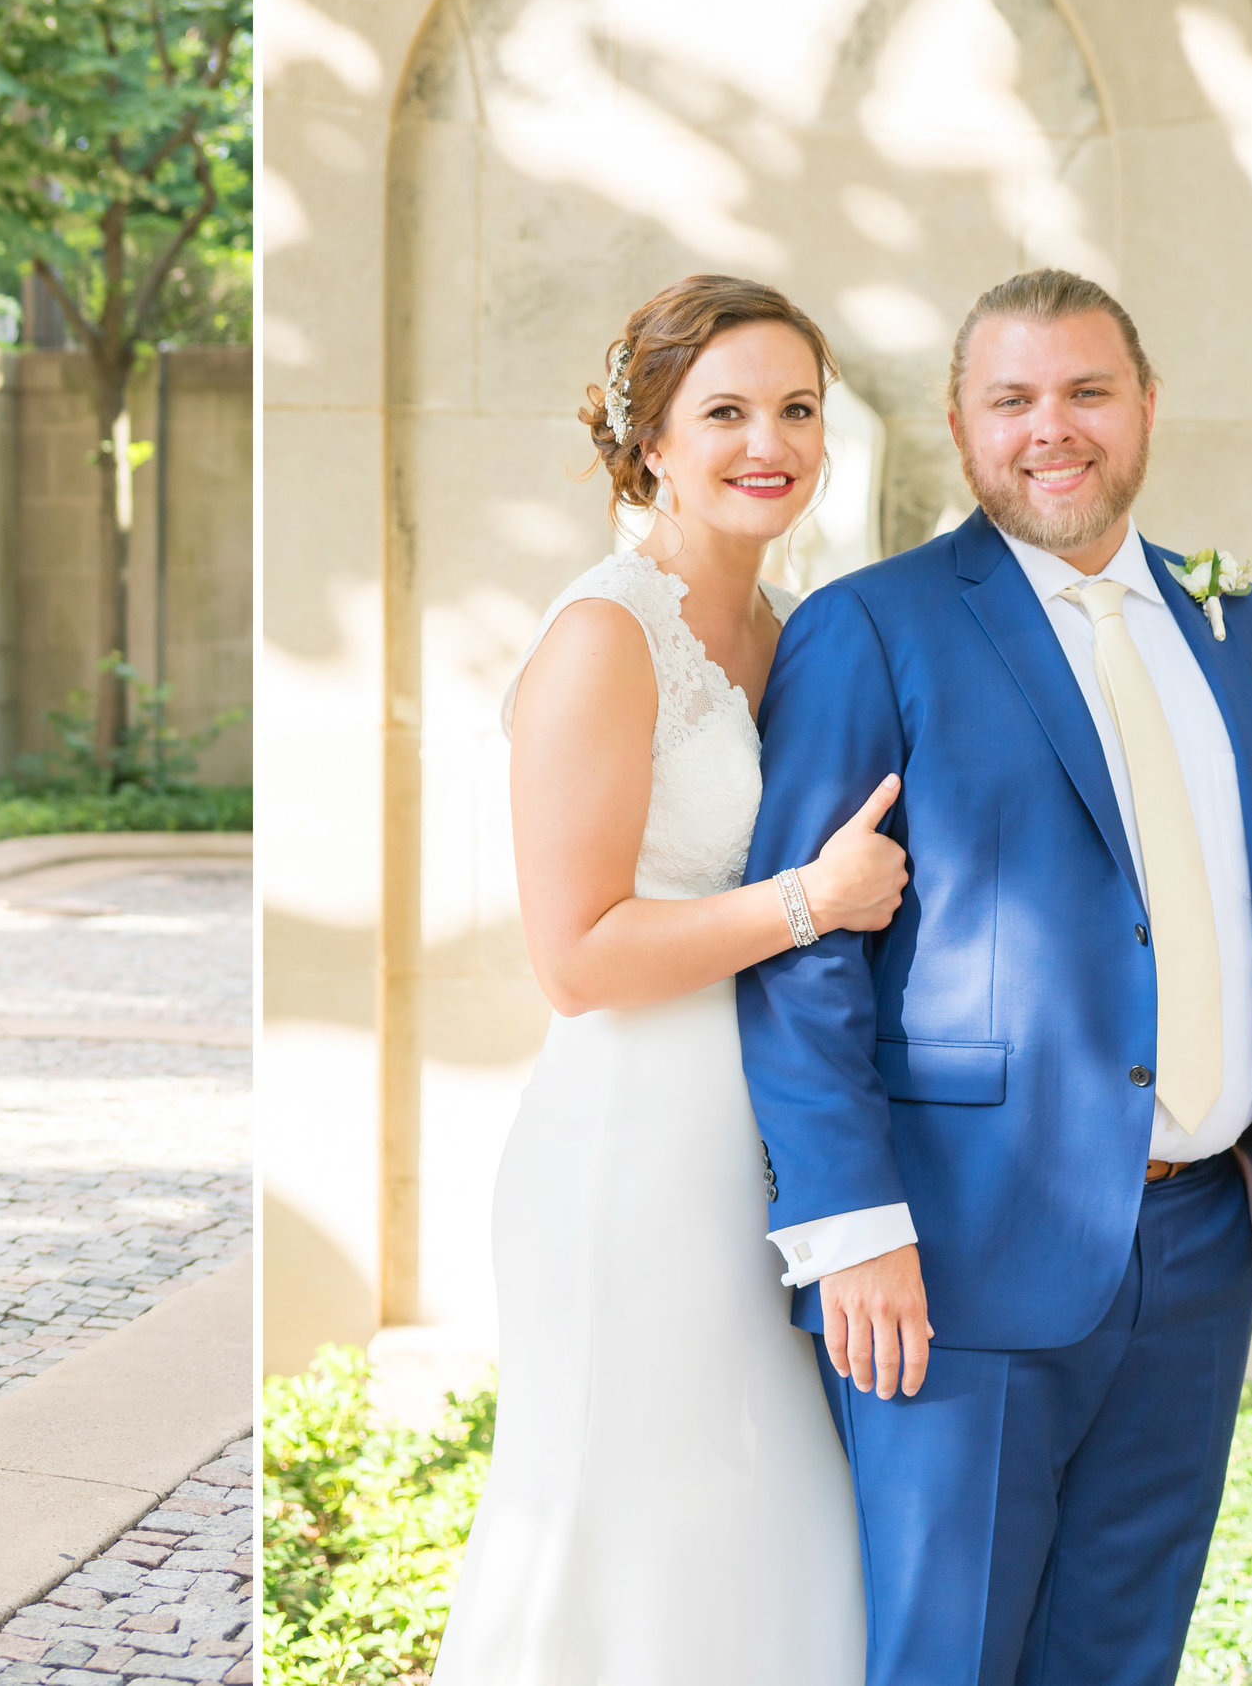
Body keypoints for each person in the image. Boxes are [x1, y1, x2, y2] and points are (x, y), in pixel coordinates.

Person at [739, 268, 1252, 1685]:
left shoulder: (1240, 622)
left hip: (1201, 1245)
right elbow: (803, 953)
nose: (1049, 427)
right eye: (1011, 398)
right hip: (952, 1253)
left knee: (1124, 1649)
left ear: (1143, 406)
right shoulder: (871, 626)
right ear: (961, 421)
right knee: (950, 1653)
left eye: (1084, 390)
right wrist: (850, 1220)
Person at [430, 275, 905, 1685]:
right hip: (633, 1152)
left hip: (766, 1145)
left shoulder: (796, 626)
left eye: (798, 408)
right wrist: (810, 899)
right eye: (728, 411)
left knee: (769, 1529)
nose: (772, 440)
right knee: (636, 1530)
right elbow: (574, 956)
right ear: (648, 441)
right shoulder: (604, 634)